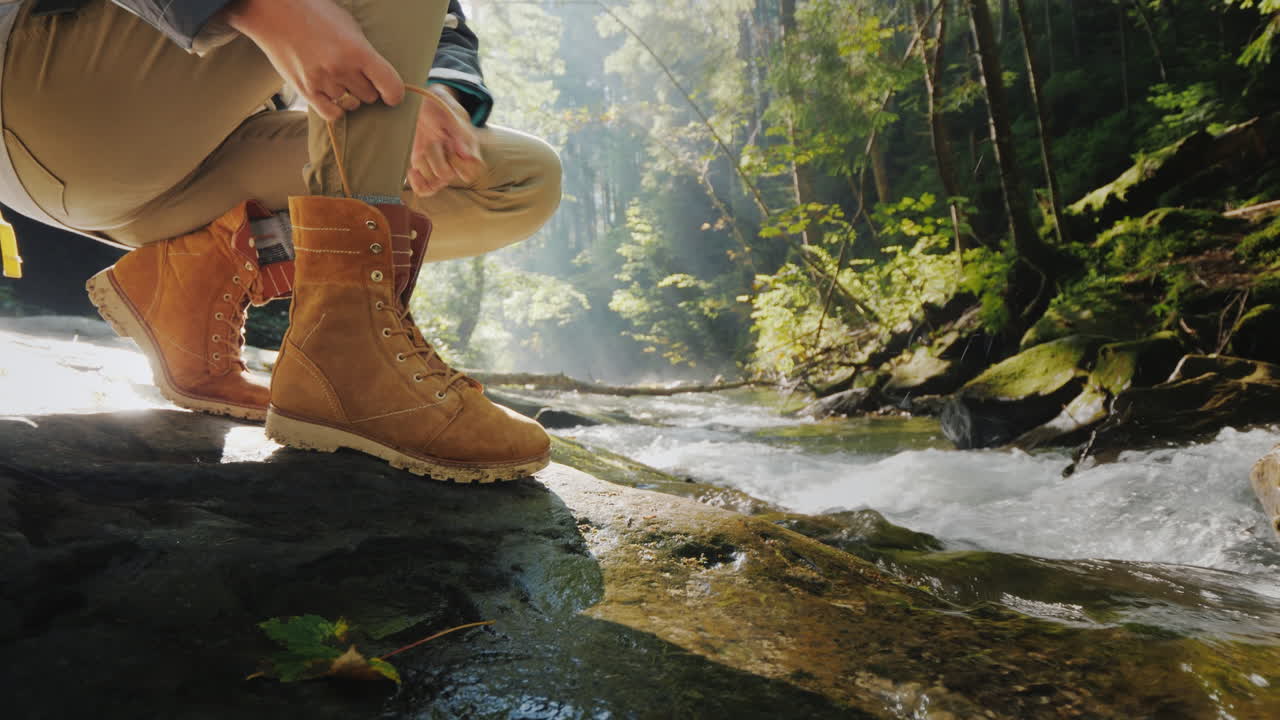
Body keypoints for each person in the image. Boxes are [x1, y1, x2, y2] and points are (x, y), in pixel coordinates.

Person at [0, 0, 559, 482]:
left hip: (191, 165)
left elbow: (439, 23)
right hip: (54, 93)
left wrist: (433, 88)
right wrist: (266, 10)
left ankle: (193, 276)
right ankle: (345, 353)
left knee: (515, 181)